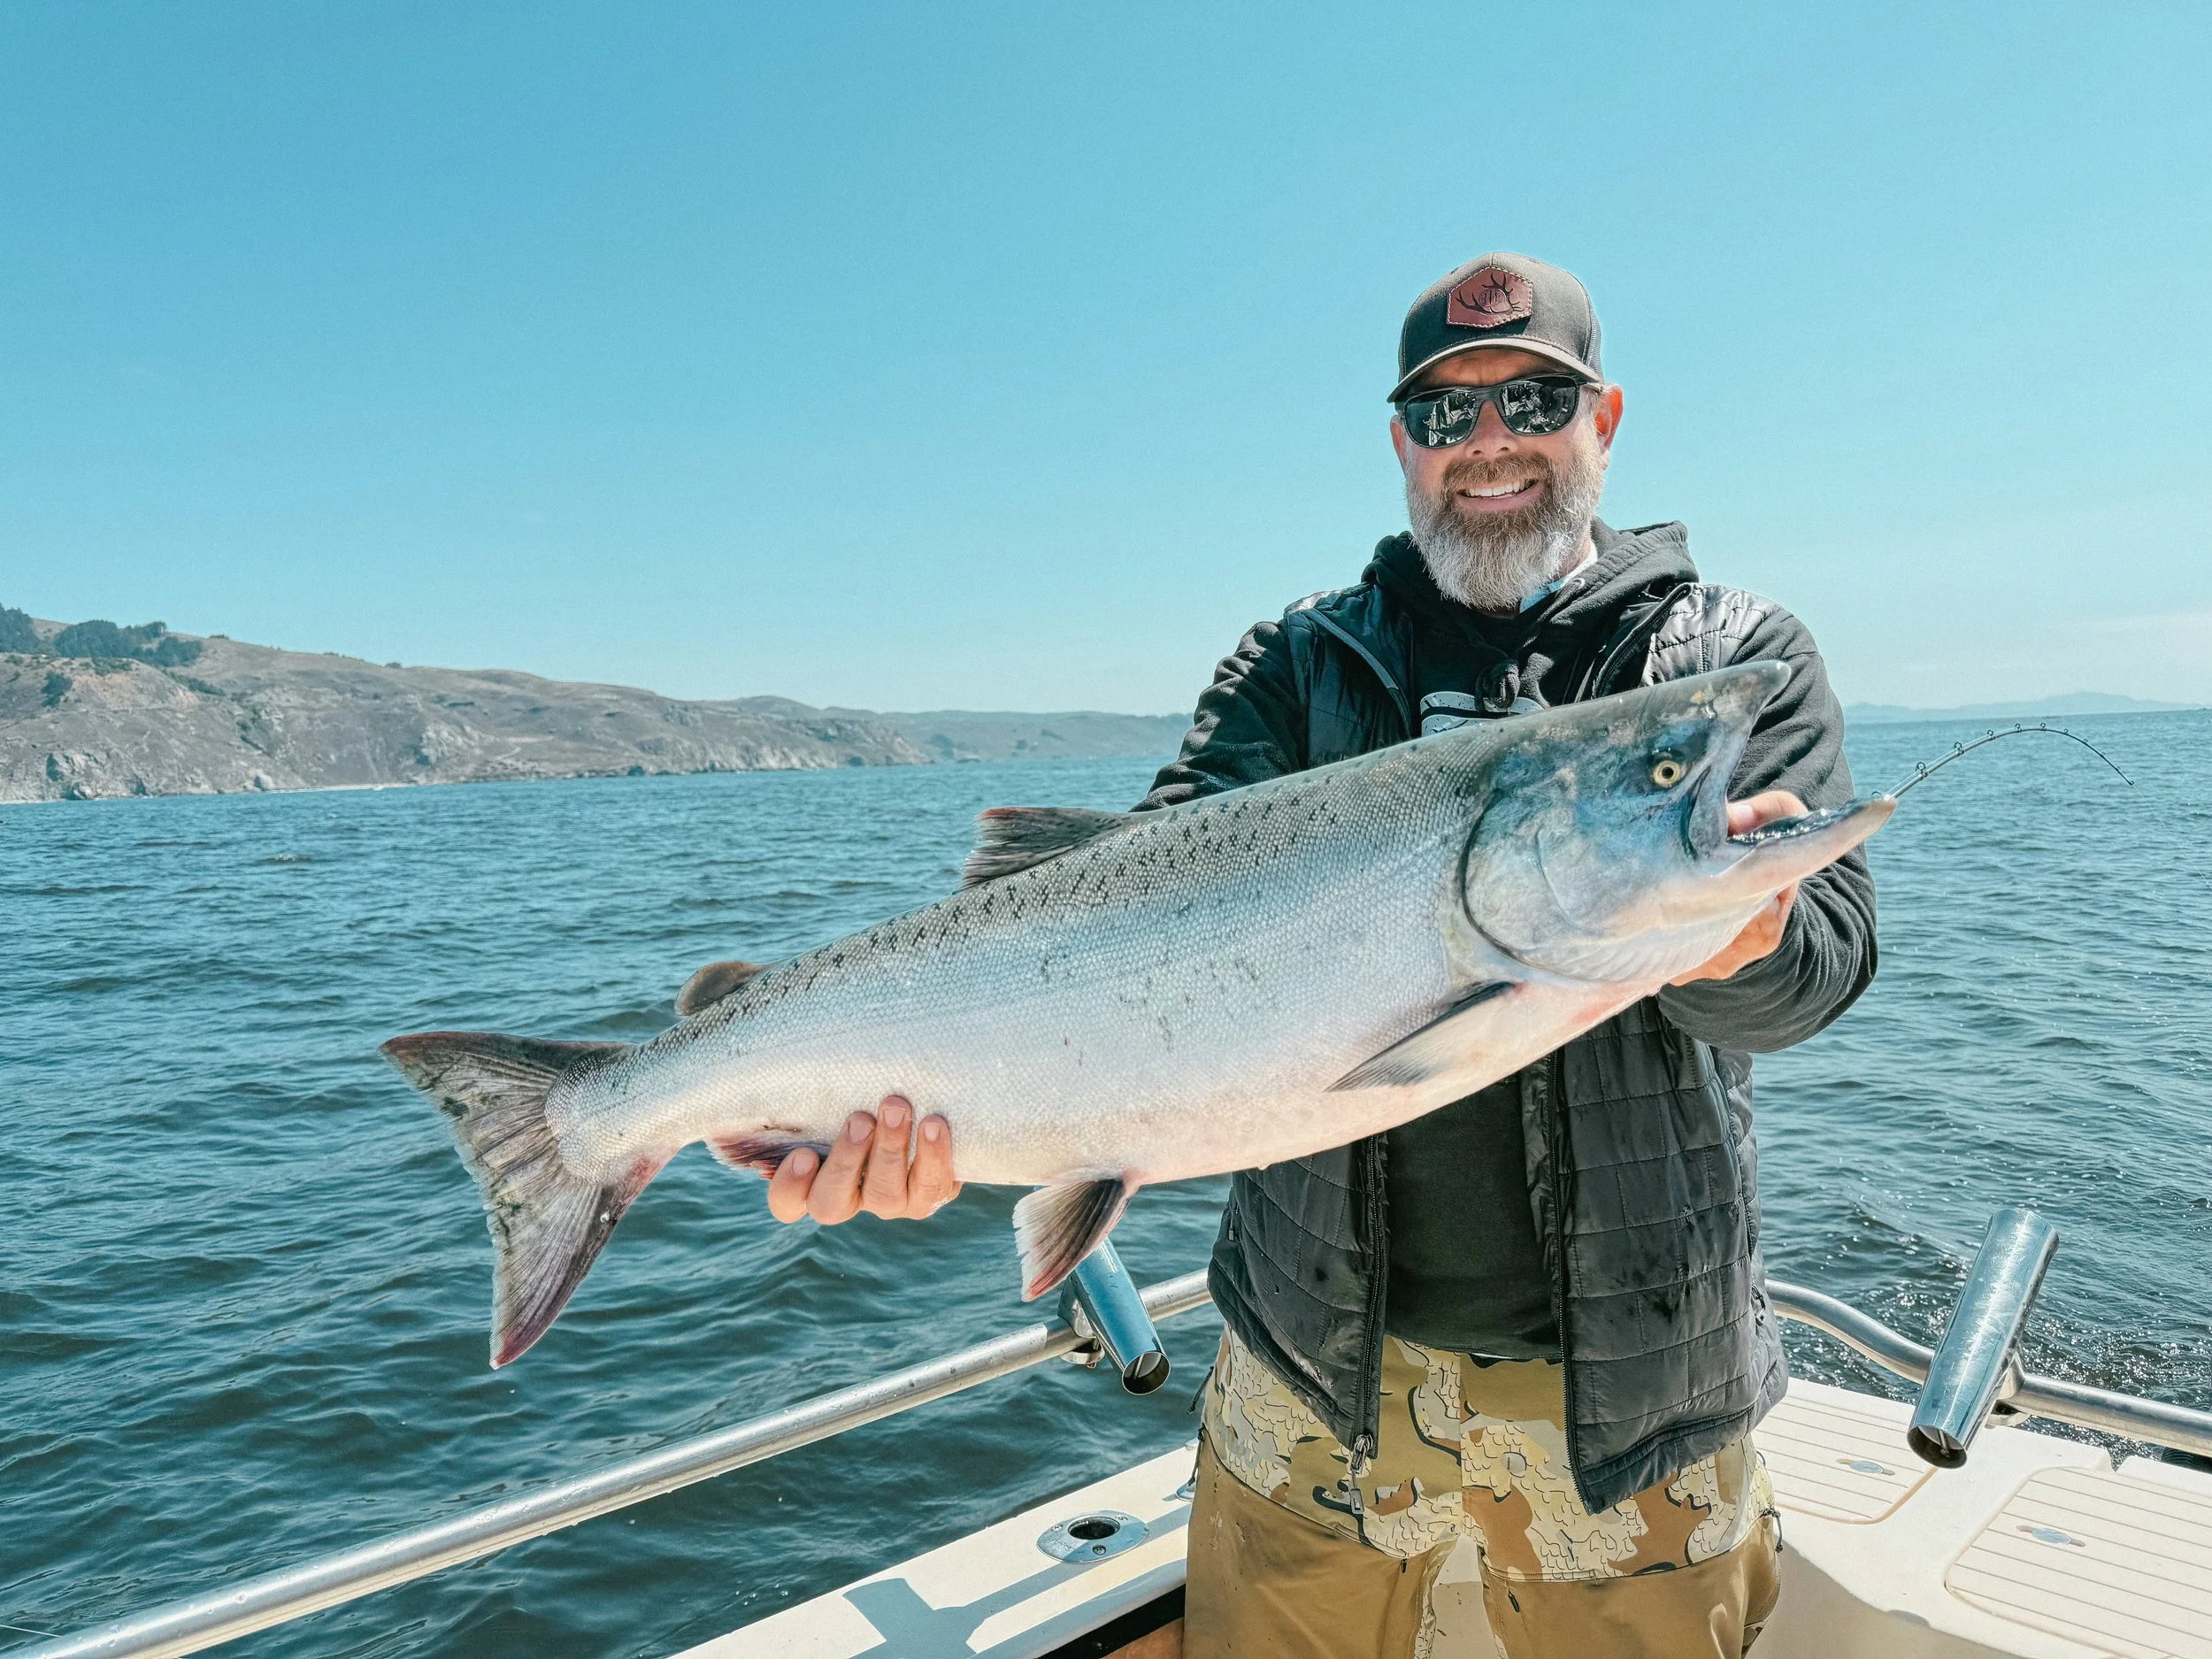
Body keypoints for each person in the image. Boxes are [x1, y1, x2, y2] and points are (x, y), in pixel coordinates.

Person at [764, 252, 1878, 1658]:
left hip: (1637, 1410)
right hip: (1306, 1395)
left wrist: (1737, 936)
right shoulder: (1298, 663)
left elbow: (1823, 965)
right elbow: (1127, 896)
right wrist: (932, 1114)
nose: (1489, 444)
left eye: (1532, 399)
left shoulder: (1732, 659)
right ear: (1401, 444)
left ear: (1602, 422)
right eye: (1445, 412)